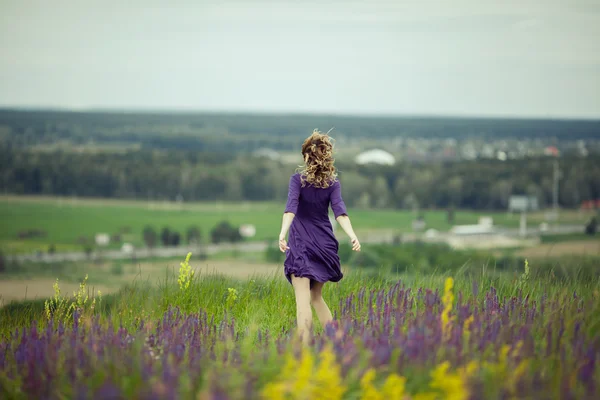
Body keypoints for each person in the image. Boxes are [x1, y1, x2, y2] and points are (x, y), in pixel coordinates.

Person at [278, 129, 361, 346]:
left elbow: (290, 209)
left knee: (303, 299)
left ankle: (304, 350)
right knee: (316, 297)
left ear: (307, 156)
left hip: (301, 246)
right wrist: (352, 235)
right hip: (325, 246)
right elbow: (340, 212)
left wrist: (282, 233)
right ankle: (337, 342)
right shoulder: (333, 184)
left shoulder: (297, 180)